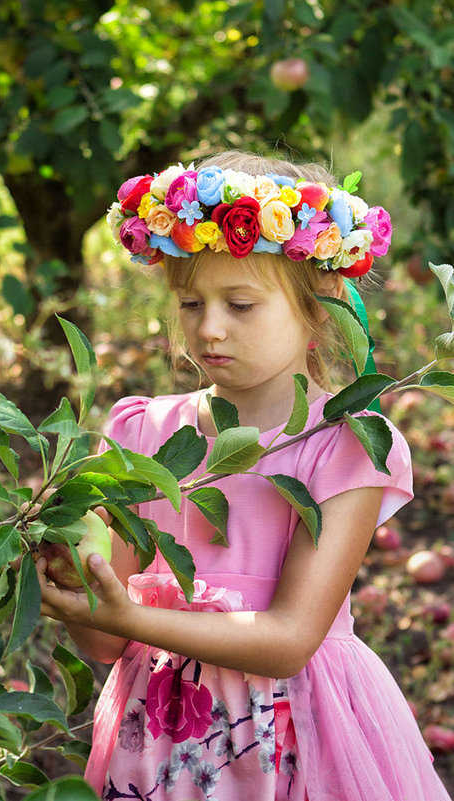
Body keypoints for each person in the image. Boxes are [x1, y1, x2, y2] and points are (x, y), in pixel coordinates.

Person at [37, 150, 452, 800]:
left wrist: (131, 614)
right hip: (163, 743)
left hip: (296, 741)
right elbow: (105, 639)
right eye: (189, 302)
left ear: (317, 305)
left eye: (239, 303)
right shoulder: (139, 434)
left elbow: (289, 641)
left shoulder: (344, 447)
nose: (208, 328)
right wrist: (75, 585)